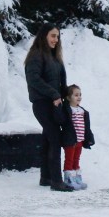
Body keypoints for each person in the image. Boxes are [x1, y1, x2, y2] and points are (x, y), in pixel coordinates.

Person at [24, 24, 72, 192]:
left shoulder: (54, 57)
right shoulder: (36, 55)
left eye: (57, 36)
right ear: (43, 36)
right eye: (52, 36)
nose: (55, 40)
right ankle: (56, 181)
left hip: (55, 104)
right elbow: (34, 80)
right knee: (55, 139)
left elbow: (60, 82)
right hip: (42, 104)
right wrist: (54, 94)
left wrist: (70, 93)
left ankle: (45, 177)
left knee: (47, 139)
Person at [59, 84, 95, 190]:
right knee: (69, 159)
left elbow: (86, 127)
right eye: (76, 95)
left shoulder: (82, 111)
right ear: (68, 97)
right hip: (70, 140)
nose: (79, 97)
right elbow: (61, 120)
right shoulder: (67, 110)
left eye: (80, 95)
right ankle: (68, 179)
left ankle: (76, 178)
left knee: (76, 158)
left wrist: (88, 138)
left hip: (80, 140)